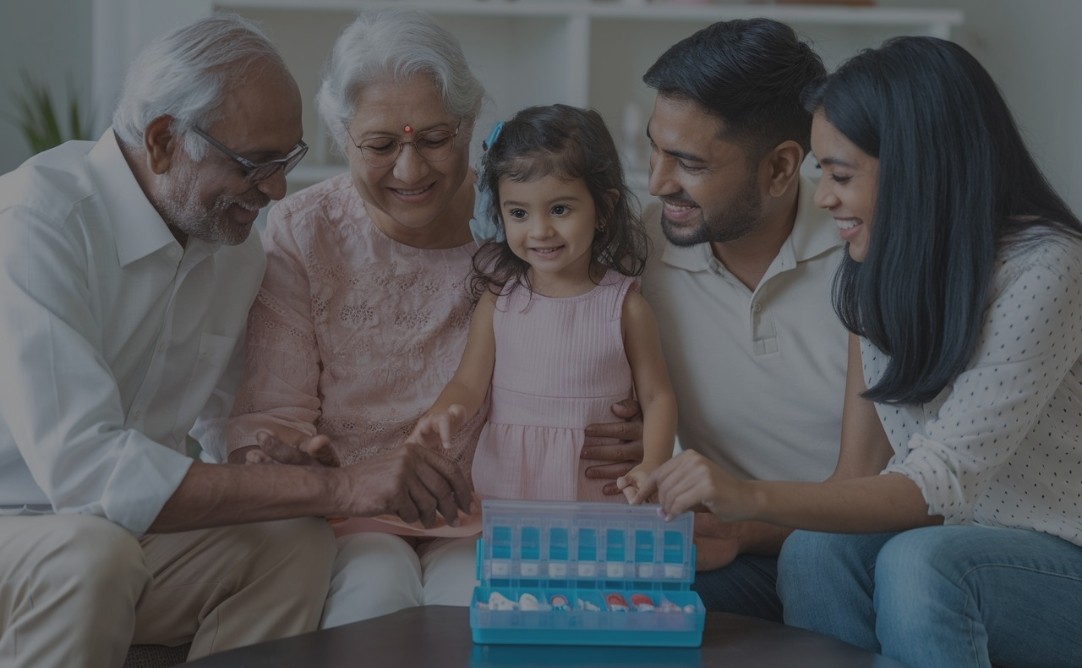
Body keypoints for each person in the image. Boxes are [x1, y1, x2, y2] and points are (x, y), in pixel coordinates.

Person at [0, 15, 473, 668]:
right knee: (92, 554)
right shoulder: (37, 222)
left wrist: (278, 461)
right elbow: (87, 474)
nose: (277, 189)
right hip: (24, 525)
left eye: (288, 162)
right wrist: (340, 491)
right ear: (164, 140)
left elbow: (229, 429)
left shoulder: (233, 245)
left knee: (291, 541)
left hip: (119, 535)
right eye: (255, 163)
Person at [636, 36, 1082, 668]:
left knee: (920, 561)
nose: (823, 198)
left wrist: (748, 494)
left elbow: (940, 480)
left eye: (840, 176)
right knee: (815, 551)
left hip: (1058, 551)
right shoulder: (870, 267)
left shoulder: (1048, 266)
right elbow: (861, 480)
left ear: (918, 168)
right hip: (951, 540)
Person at [220, 9, 488, 628]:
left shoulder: (519, 221)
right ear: (343, 137)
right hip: (349, 510)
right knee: (372, 593)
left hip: (490, 507)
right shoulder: (303, 230)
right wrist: (290, 460)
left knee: (471, 607)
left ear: (469, 124)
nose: (410, 169)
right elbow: (274, 411)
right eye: (381, 144)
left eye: (435, 138)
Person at [579, 19, 847, 621]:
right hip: (733, 552)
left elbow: (907, 484)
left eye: (689, 163)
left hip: (856, 550)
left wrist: (748, 525)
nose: (655, 182)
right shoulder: (636, 251)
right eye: (653, 147)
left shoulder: (861, 254)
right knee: (600, 612)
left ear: (781, 168)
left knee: (818, 564)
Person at [406, 104, 677, 503]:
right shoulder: (500, 299)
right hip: (510, 481)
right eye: (518, 212)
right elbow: (468, 382)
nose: (539, 230)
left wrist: (652, 464)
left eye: (560, 209)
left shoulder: (625, 307)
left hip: (596, 486)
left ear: (603, 209)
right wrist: (448, 410)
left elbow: (657, 397)